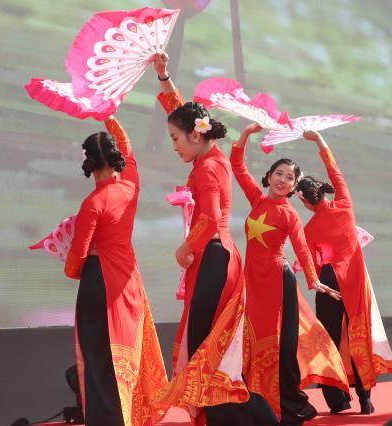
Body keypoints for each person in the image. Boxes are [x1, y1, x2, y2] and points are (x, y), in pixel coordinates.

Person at [151, 53, 251, 425]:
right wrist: (164, 78)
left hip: (212, 256)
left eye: (176, 139)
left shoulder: (208, 168)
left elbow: (208, 218)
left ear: (195, 135)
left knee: (205, 346)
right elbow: (184, 114)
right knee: (211, 344)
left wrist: (185, 247)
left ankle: (227, 417)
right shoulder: (210, 155)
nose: (174, 145)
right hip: (218, 256)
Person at [231, 123, 349, 425]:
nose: (283, 180)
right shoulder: (257, 200)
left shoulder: (289, 214)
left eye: (289, 177)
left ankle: (292, 405)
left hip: (278, 281)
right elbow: (237, 165)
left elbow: (301, 249)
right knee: (254, 342)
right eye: (279, 173)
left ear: (295, 186)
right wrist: (244, 136)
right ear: (269, 176)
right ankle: (259, 401)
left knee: (281, 346)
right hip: (252, 282)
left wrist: (314, 280)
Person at [64, 115, 168, 425]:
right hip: (129, 279)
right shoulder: (131, 188)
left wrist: (71, 265)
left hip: (98, 281)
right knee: (124, 352)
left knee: (99, 360)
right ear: (114, 157)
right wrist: (110, 117)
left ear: (89, 163)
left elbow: (76, 257)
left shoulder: (93, 203)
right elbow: (130, 150)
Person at [295, 131, 392, 414]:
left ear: (304, 201)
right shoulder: (344, 205)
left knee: (328, 339)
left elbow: (314, 266)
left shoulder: (309, 229)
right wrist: (319, 142)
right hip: (354, 279)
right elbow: (335, 171)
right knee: (357, 337)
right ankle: (365, 397)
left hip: (329, 282)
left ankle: (337, 400)